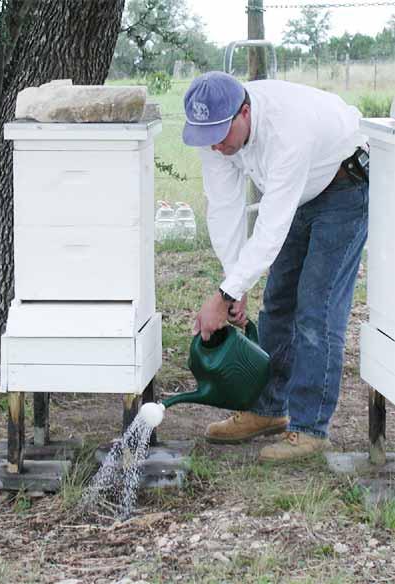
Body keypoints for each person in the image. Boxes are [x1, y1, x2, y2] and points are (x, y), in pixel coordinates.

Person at [182, 71, 369, 462]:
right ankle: (268, 410)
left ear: (244, 112)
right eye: (206, 136)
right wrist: (235, 281)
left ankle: (310, 428)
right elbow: (224, 207)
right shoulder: (214, 138)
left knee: (317, 308)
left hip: (344, 186)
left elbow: (271, 226)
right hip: (295, 193)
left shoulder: (288, 129)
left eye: (220, 133)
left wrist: (224, 295)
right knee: (277, 303)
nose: (215, 145)